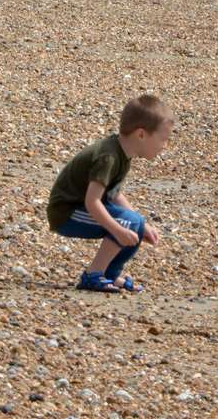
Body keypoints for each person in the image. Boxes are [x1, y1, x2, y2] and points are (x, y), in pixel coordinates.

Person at [46, 94, 174, 294]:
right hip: (67, 212)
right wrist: (118, 229)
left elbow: (113, 194)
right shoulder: (109, 157)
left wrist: (142, 224)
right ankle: (93, 274)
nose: (164, 146)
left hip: (83, 208)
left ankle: (109, 275)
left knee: (136, 223)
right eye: (163, 139)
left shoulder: (122, 153)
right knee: (128, 224)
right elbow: (92, 201)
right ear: (141, 134)